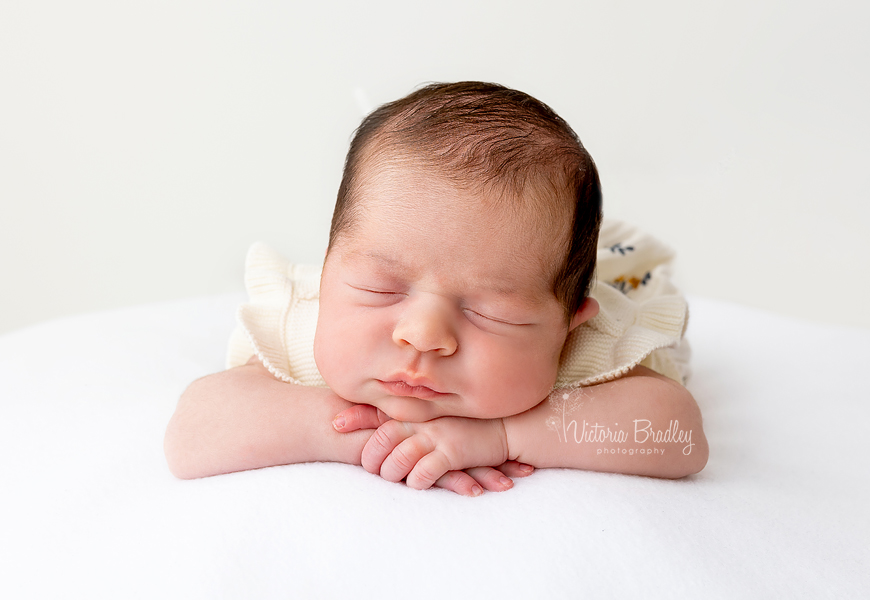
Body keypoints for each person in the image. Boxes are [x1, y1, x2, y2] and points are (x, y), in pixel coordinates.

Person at [164, 82, 708, 496]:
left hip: (619, 276)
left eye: (492, 313)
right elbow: (192, 434)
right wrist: (352, 431)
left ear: (568, 326)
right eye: (380, 289)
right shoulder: (304, 326)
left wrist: (501, 434)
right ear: (327, 276)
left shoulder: (589, 347)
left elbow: (678, 435)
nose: (423, 336)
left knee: (629, 262)